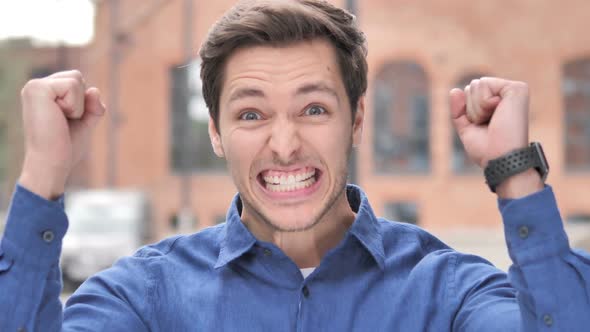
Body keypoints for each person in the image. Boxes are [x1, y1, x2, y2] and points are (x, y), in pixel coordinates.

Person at [1, 0, 589, 330]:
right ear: (215, 132)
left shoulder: (449, 293)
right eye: (252, 115)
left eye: (313, 108)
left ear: (357, 120)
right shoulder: (145, 297)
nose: (284, 145)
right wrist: (44, 174)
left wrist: (516, 173)